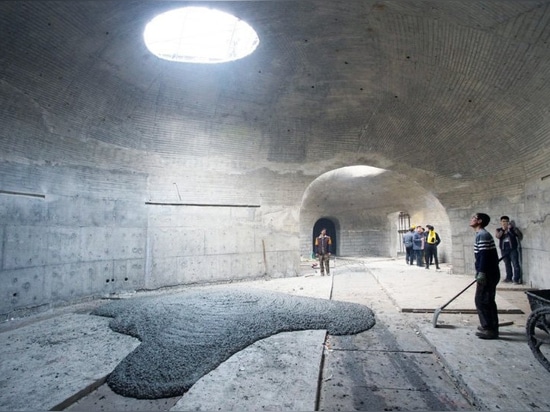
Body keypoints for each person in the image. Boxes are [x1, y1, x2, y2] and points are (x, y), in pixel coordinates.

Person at [470, 213, 501, 340]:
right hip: (489, 272)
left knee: (482, 300)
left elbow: (484, 256)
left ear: (480, 221)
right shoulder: (481, 234)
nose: (471, 219)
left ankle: (489, 329)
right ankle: (490, 326)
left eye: (474, 218)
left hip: (488, 273)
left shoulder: (482, 235)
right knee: (487, 300)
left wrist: (482, 272)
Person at [495, 215, 524, 284]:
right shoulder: (498, 230)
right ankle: (508, 278)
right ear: (501, 222)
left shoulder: (513, 229)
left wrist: (511, 229)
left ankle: (516, 279)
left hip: (512, 248)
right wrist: (503, 230)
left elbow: (519, 235)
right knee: (507, 264)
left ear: (508, 222)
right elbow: (498, 236)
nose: (504, 223)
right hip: (504, 249)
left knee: (515, 264)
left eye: (506, 221)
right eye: (503, 221)